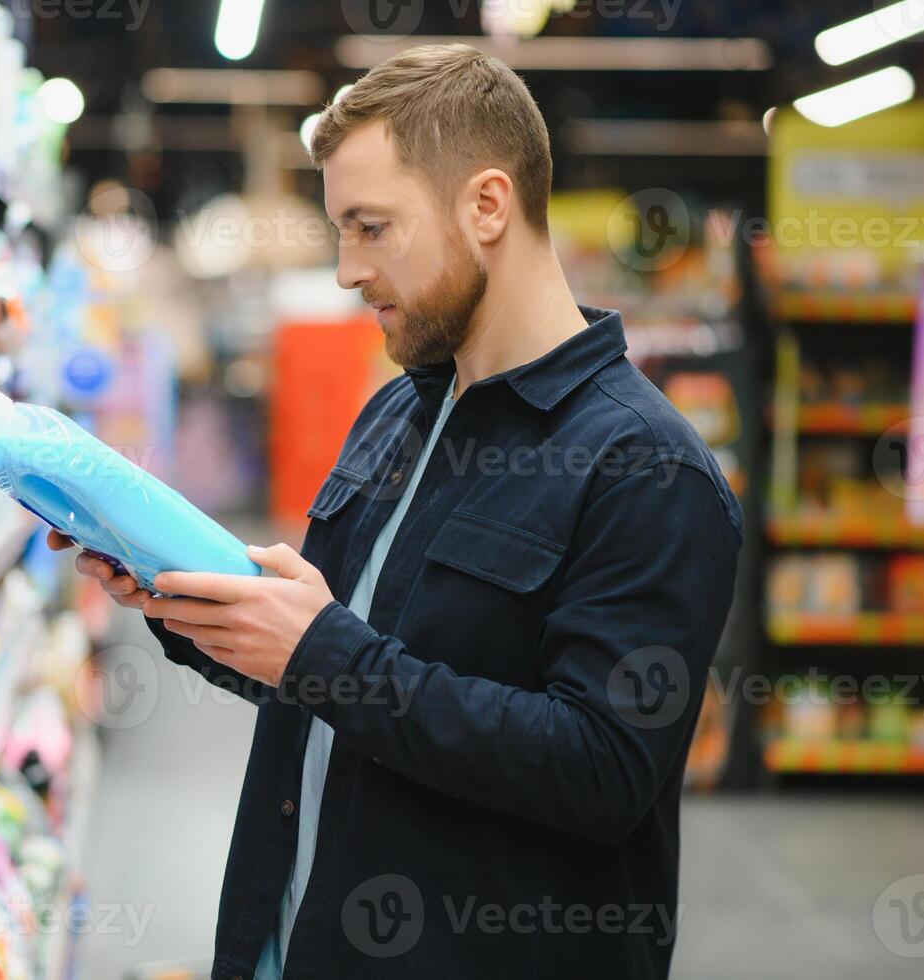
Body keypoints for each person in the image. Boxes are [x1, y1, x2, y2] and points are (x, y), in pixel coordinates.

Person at [50, 42, 741, 979]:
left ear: (486, 205)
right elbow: (332, 676)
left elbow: (601, 768)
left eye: (371, 228)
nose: (344, 269)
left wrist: (327, 652)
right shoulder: (399, 414)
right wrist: (180, 593)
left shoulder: (646, 469)